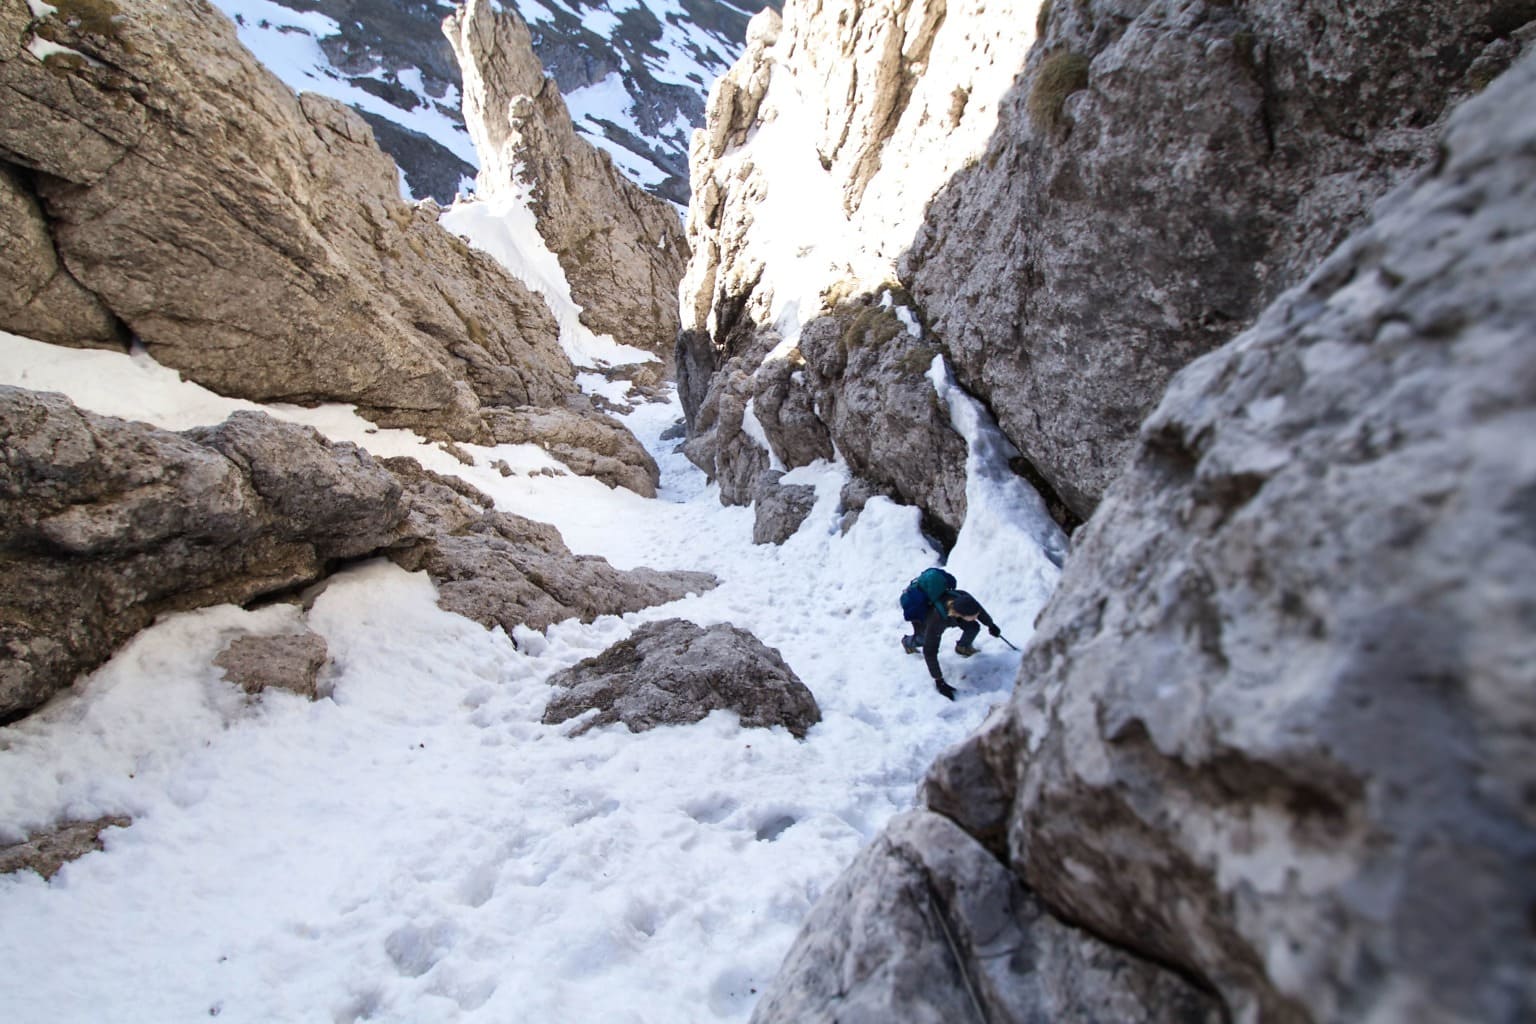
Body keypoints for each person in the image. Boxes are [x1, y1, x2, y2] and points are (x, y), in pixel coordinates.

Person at [902, 588, 1000, 700]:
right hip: (925, 617)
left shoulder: (963, 597)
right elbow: (930, 652)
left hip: (950, 615)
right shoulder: (936, 620)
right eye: (973, 616)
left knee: (973, 626)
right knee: (924, 640)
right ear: (962, 614)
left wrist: (991, 625)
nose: (976, 617)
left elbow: (980, 611)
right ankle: (907, 643)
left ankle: (962, 647)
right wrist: (939, 681)